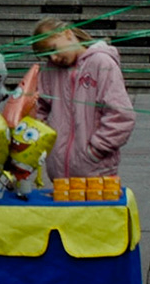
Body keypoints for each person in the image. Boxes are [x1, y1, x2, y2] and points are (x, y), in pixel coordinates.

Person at [32, 19, 135, 180]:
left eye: (54, 49)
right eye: (47, 56)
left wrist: (95, 150)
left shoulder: (101, 63)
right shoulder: (50, 71)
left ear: (67, 34)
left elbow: (121, 115)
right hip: (59, 177)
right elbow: (38, 108)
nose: (54, 58)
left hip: (96, 175)